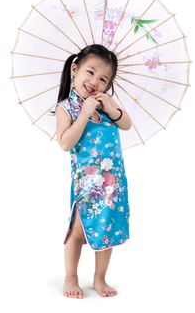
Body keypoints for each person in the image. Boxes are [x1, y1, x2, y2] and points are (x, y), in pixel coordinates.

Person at [55, 44, 132, 298]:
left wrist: (113, 109)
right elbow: (65, 142)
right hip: (86, 183)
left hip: (112, 183)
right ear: (75, 69)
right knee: (77, 231)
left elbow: (127, 125)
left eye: (103, 79)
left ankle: (100, 278)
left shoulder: (105, 106)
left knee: (107, 228)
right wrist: (84, 114)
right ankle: (71, 277)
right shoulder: (67, 107)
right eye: (90, 72)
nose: (95, 82)